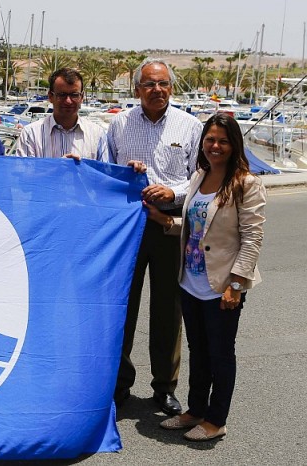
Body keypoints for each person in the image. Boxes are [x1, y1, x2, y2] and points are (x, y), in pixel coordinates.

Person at [148, 114, 265, 441]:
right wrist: (164, 221)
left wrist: (236, 284)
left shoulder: (246, 184)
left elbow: (252, 238)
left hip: (221, 285)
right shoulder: (199, 176)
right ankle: (196, 410)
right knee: (197, 350)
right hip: (191, 282)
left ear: (234, 145)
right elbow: (195, 228)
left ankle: (216, 420)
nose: (215, 146)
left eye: (223, 141)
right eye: (210, 140)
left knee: (220, 354)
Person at [106, 58, 204, 416]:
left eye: (162, 83)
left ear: (171, 87)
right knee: (122, 307)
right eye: (149, 84)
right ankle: (119, 384)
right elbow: (108, 172)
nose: (156, 90)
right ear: (137, 89)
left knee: (168, 308)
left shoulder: (190, 126)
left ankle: (164, 387)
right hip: (127, 226)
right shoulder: (119, 124)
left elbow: (200, 178)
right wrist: (126, 174)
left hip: (168, 224)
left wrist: (173, 192)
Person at [14, 67, 106, 160]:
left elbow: (105, 169)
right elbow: (24, 169)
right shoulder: (30, 134)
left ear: (82, 97)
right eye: (62, 95)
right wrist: (58, 166)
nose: (68, 101)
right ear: (50, 96)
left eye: (74, 95)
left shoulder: (97, 135)